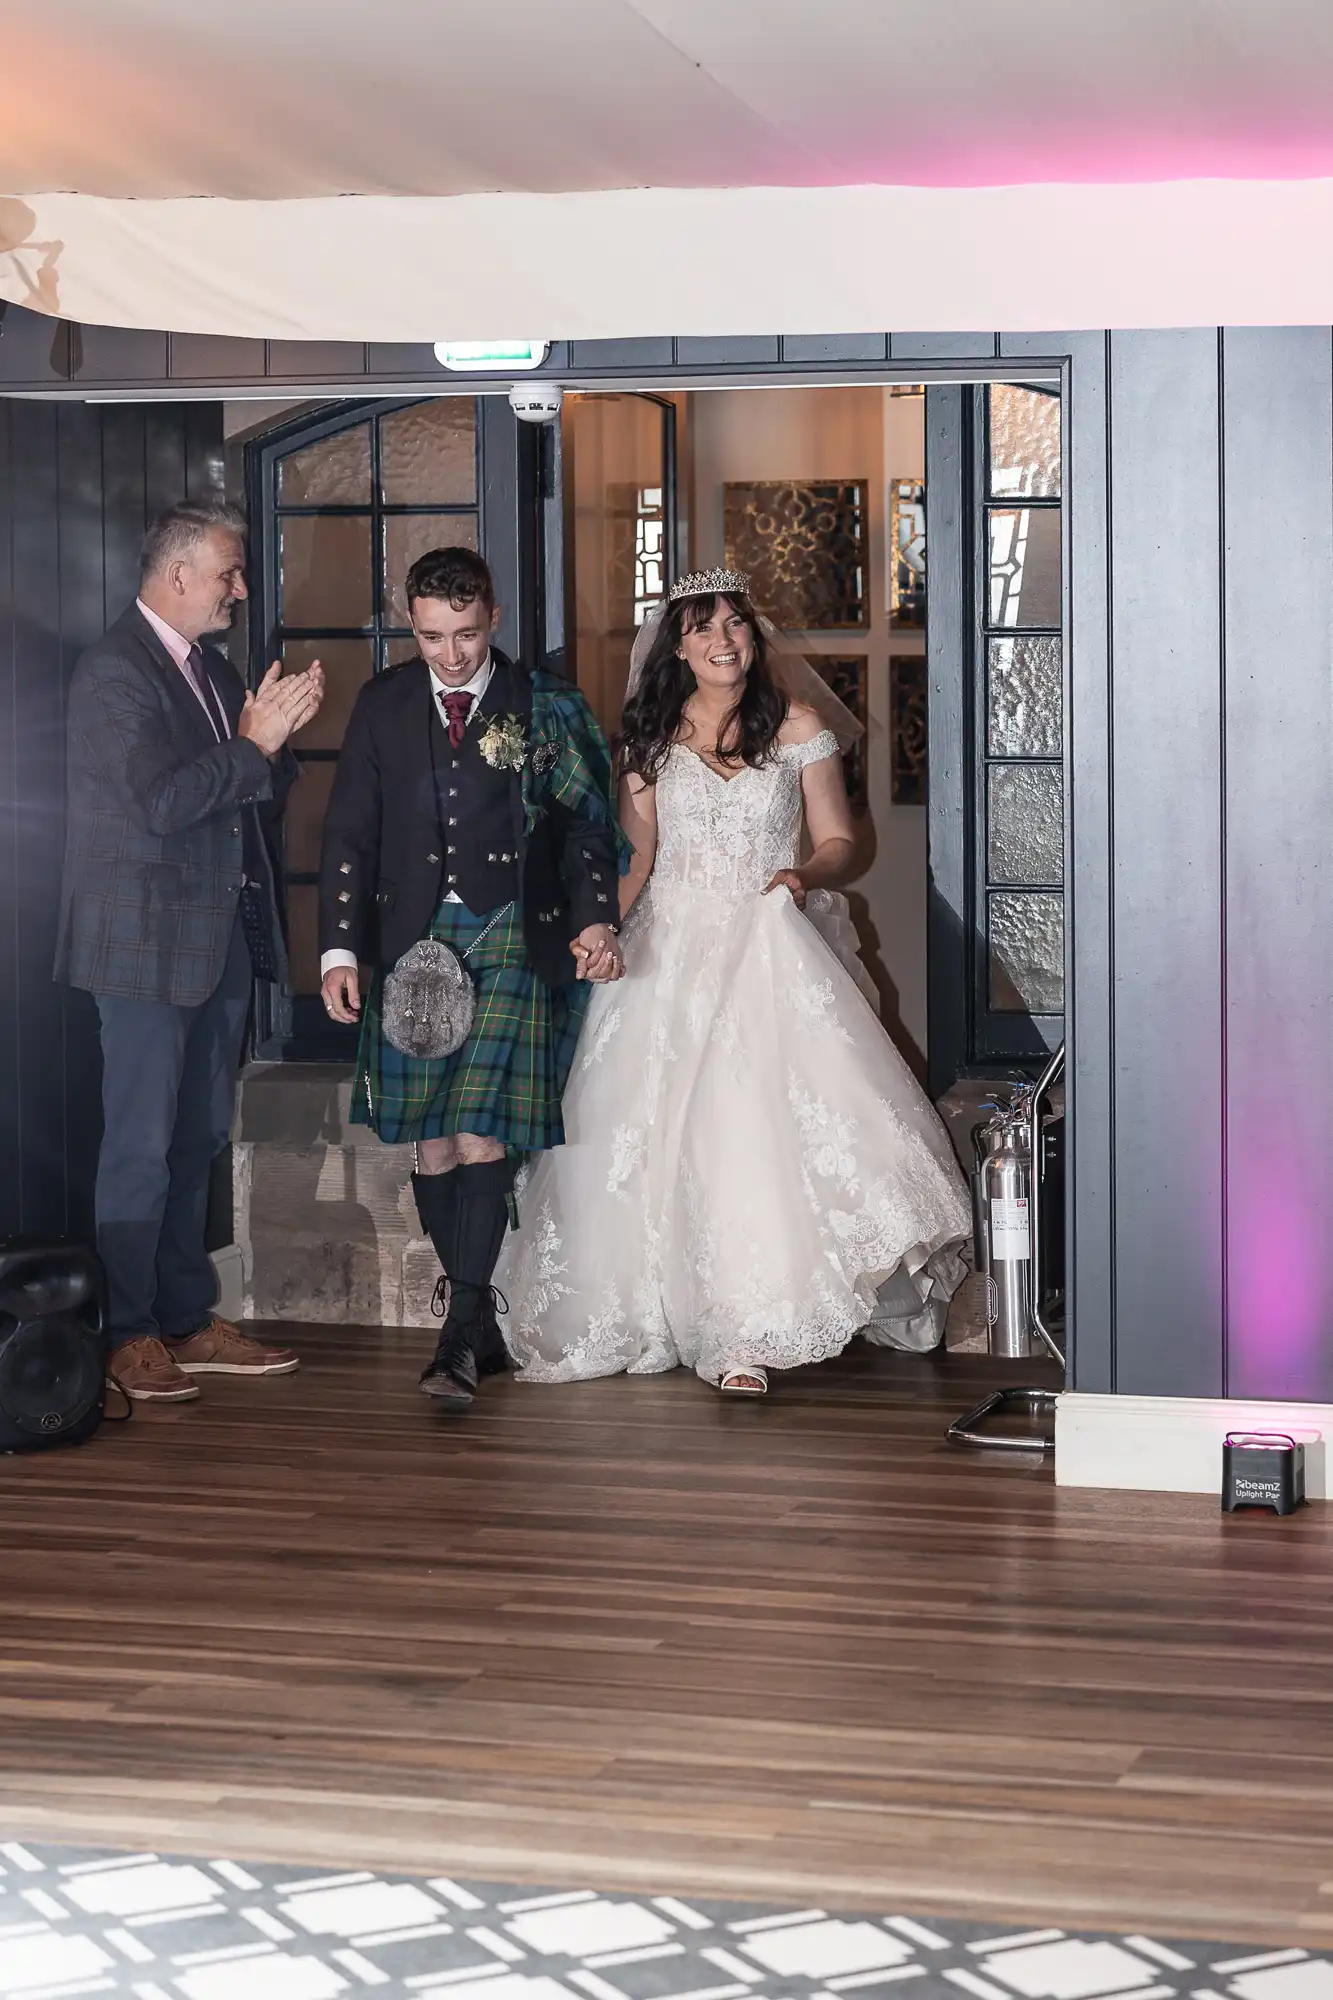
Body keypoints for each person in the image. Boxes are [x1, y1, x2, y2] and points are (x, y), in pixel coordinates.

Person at [500, 568, 972, 1395]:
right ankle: (665, 1312)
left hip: (763, 939)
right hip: (668, 951)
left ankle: (744, 1326)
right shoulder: (648, 742)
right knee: (648, 1138)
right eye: (704, 629)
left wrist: (799, 875)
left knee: (747, 1126)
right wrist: (600, 925)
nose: (724, 642)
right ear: (677, 647)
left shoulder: (793, 725)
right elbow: (639, 859)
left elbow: (840, 842)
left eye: (735, 626)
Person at [318, 546, 625, 1412]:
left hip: (509, 932)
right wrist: (340, 953)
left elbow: (586, 825)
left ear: (490, 616)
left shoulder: (545, 703)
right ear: (412, 625)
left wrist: (595, 913)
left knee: (482, 1128)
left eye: (462, 634)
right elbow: (348, 834)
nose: (449, 655)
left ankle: (457, 1327)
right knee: (431, 1136)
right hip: (412, 938)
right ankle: (477, 1323)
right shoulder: (382, 705)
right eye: (430, 637)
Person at [56, 499, 325, 1403]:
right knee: (140, 1143)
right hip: (140, 948)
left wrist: (274, 743)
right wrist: (254, 742)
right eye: (228, 575)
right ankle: (129, 1334)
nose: (239, 591)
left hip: (217, 942)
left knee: (199, 1135)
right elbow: (162, 804)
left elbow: (249, 789)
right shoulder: (113, 673)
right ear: (177, 577)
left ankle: (183, 1316)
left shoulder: (211, 666)